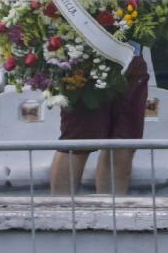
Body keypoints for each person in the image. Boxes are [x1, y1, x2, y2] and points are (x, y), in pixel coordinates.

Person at [51, 52, 149, 196]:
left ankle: (112, 213)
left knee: (124, 141)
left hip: (131, 56)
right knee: (76, 142)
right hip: (83, 58)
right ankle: (59, 212)